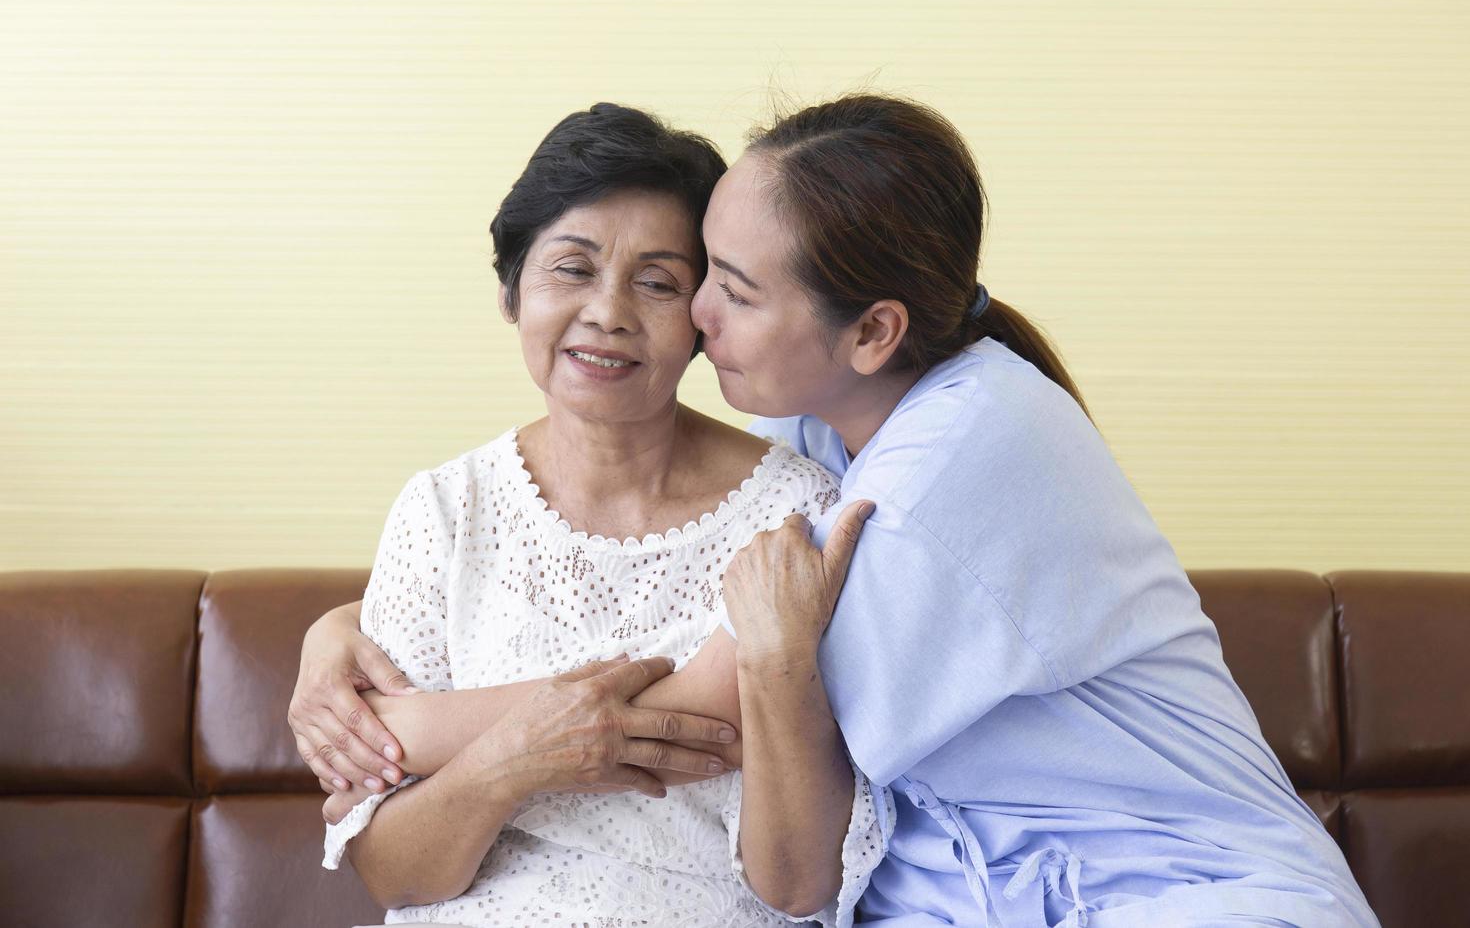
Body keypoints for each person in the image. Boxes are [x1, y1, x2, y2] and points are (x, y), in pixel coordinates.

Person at [297, 94, 1378, 926]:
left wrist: (394, 723)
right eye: (704, 274)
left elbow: (692, 720)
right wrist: (333, 633)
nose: (691, 319)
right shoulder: (818, 420)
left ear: (872, 331)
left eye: (714, 285)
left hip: (1169, 890)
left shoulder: (940, 465)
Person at [298, 101, 887, 927]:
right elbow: (393, 875)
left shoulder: (796, 513)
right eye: (571, 269)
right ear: (512, 291)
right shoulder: (442, 512)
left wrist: (433, 729)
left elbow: (798, 885)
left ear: (706, 319)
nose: (609, 312)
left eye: (657, 282)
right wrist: (513, 760)